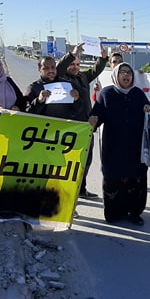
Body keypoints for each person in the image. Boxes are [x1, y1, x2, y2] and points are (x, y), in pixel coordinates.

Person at [88, 62, 150, 225]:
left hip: (135, 147)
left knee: (136, 179)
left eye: (129, 73)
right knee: (113, 179)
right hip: (113, 147)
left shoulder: (138, 94)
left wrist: (148, 111)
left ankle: (135, 213)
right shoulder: (106, 93)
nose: (126, 75)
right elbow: (97, 115)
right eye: (122, 72)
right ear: (116, 75)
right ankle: (113, 213)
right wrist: (93, 121)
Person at [56, 42, 109, 198]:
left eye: (77, 64)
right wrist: (73, 54)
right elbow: (58, 68)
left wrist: (103, 58)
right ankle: (67, 195)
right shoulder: (61, 77)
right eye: (72, 64)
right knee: (69, 163)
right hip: (69, 128)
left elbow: (95, 70)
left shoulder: (82, 77)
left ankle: (81, 190)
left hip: (86, 126)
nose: (75, 67)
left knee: (85, 161)